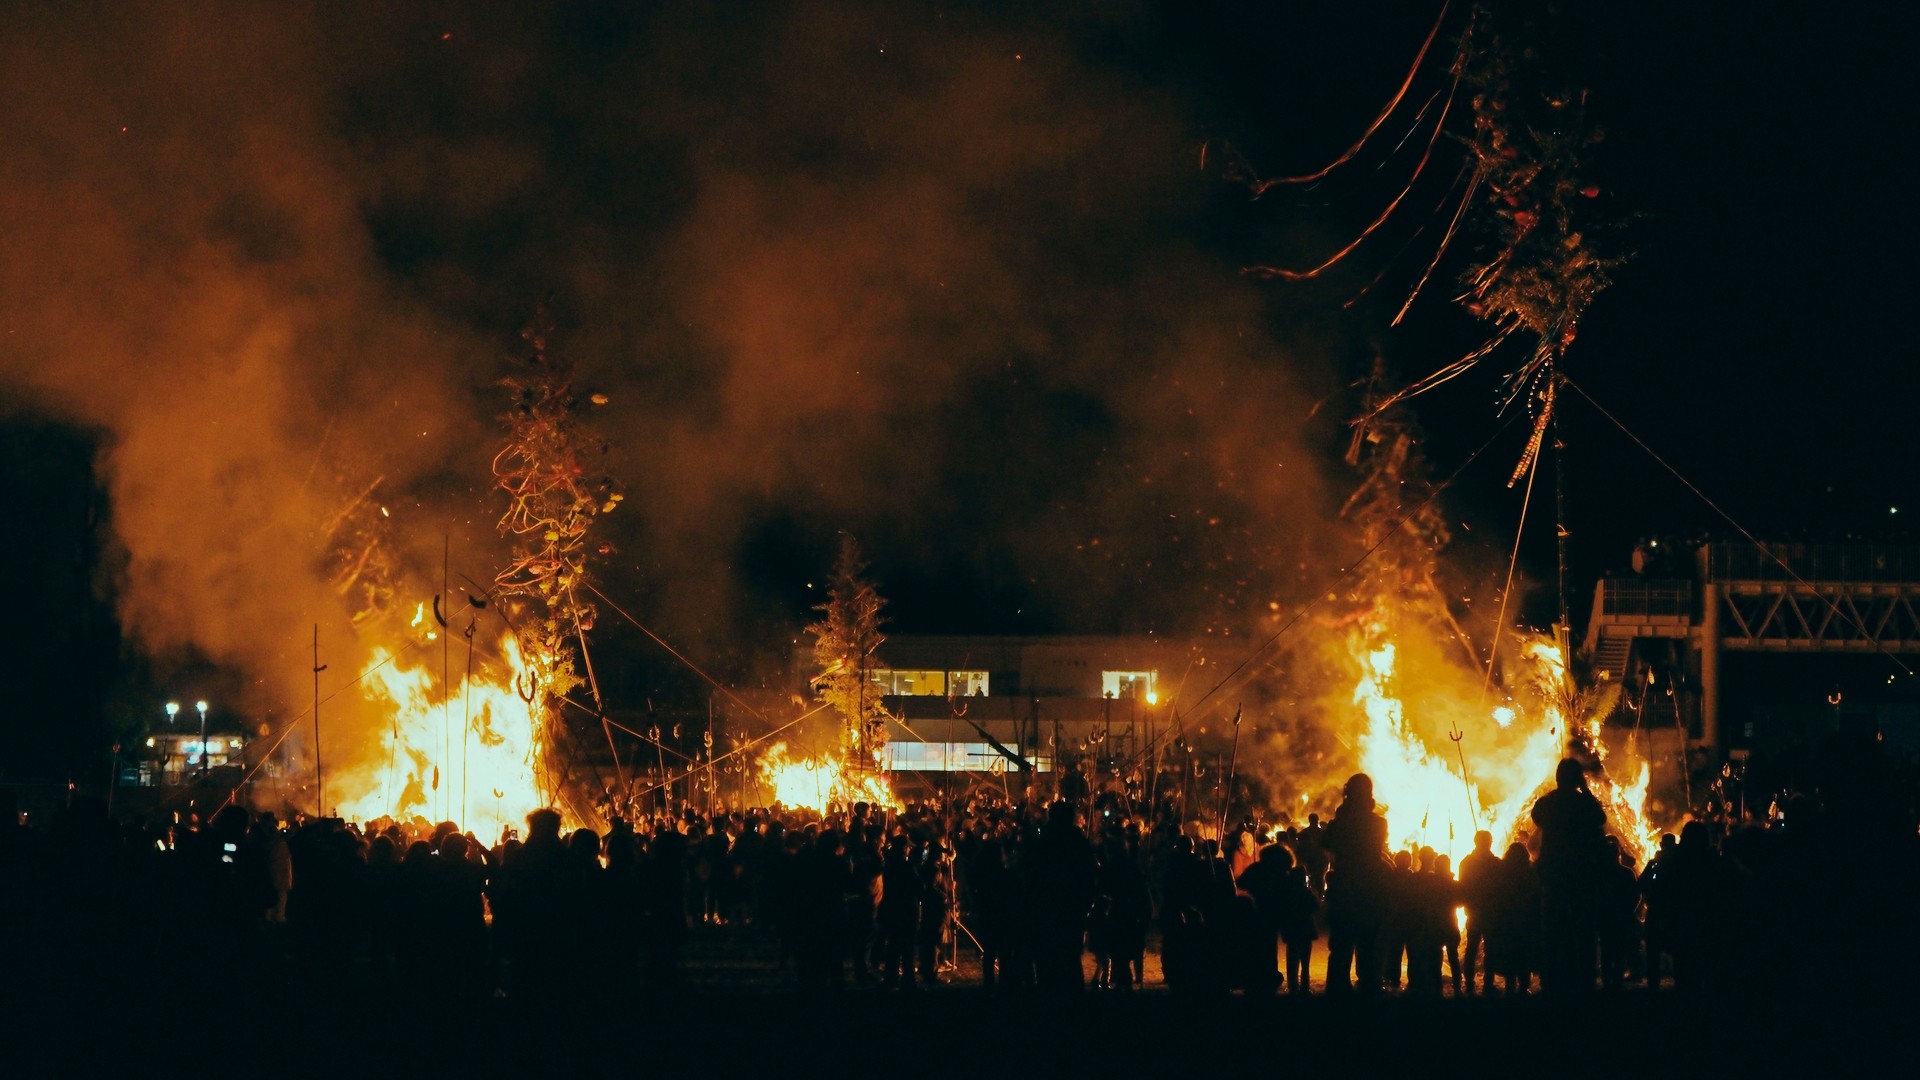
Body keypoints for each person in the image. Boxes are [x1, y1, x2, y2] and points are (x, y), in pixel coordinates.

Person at [1530, 758, 1608, 993]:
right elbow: (1600, 819)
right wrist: (1585, 789)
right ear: (1578, 778)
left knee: (1553, 928)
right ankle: (1584, 977)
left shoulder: (1547, 803)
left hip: (1553, 874)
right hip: (1579, 875)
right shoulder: (1583, 803)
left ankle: (1551, 977)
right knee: (1583, 929)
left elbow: (1537, 816)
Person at [1321, 773, 1390, 995]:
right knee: (1368, 941)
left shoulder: (1340, 823)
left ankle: (1337, 986)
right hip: (1370, 887)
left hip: (1344, 887)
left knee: (1341, 943)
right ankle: (1369, 984)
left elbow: (1326, 844)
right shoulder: (1378, 823)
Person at [1458, 830, 1500, 994]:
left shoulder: (1466, 862)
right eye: (1489, 841)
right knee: (1489, 948)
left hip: (1475, 911)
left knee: (1473, 948)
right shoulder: (1494, 863)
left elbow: (1463, 887)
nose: (1490, 844)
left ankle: (1470, 982)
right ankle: (1487, 984)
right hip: (1488, 911)